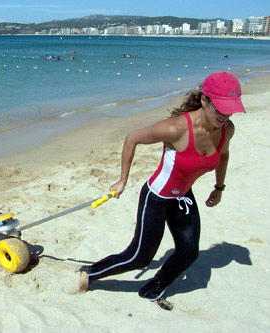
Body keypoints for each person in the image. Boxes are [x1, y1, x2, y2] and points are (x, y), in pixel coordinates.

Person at [77, 72, 246, 308]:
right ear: (205, 100)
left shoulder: (227, 129)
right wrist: (122, 180)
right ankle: (91, 272)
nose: (225, 115)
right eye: (221, 108)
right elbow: (132, 138)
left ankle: (152, 290)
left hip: (183, 197)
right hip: (157, 197)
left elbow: (224, 155)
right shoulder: (176, 129)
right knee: (139, 257)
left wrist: (219, 188)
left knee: (189, 252)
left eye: (230, 109)